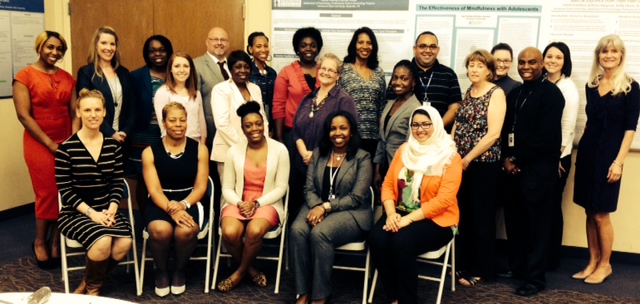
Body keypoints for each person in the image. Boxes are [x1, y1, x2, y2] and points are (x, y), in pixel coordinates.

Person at [369, 105, 462, 304]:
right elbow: (387, 185)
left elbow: (444, 201)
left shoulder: (450, 157)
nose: (420, 129)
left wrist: (407, 220)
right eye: (415, 125)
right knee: (377, 239)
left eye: (426, 124)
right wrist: (392, 213)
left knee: (401, 243)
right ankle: (393, 296)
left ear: (436, 124)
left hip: (437, 220)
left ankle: (407, 300)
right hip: (400, 212)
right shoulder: (404, 150)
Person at [572, 34, 640, 284]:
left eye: (613, 51)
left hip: (611, 156)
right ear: (598, 56)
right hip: (589, 152)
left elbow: (630, 129)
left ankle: (605, 264)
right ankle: (592, 261)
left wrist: (618, 162)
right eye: (604, 52)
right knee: (589, 210)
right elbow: (592, 122)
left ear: (621, 55)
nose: (608, 55)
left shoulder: (631, 86)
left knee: (602, 213)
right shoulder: (592, 84)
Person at [55, 89, 133, 295]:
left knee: (125, 242)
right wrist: (93, 215)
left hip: (107, 209)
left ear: (105, 112)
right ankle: (93, 290)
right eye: (87, 110)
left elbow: (117, 182)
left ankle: (86, 282)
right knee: (103, 240)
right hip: (75, 213)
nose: (93, 115)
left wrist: (112, 209)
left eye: (98, 109)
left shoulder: (113, 146)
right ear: (78, 112)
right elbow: (66, 191)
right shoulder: (66, 149)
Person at [290, 111, 373, 304]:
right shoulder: (319, 153)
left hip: (352, 212)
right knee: (297, 230)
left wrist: (325, 208)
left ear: (351, 131)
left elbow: (356, 197)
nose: (338, 133)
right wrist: (318, 206)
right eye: (333, 128)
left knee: (320, 233)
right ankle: (304, 291)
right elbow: (308, 188)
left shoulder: (362, 158)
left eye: (343, 128)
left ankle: (321, 295)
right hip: (316, 203)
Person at [501, 47, 564, 297]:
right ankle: (518, 269)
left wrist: (516, 157)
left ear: (542, 65)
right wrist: (507, 157)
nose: (526, 66)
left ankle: (535, 279)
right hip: (514, 169)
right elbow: (507, 129)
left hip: (538, 171)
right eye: (522, 62)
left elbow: (546, 138)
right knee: (515, 222)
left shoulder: (552, 94)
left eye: (532, 62)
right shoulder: (516, 92)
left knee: (537, 227)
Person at [13, 31, 77, 269]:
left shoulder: (67, 78)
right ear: (39, 47)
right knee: (48, 193)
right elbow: (24, 116)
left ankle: (56, 242)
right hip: (39, 143)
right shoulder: (25, 76)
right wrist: (51, 144)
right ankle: (40, 241)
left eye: (59, 49)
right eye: (50, 47)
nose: (54, 52)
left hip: (65, 141)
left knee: (64, 192)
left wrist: (72, 141)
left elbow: (74, 112)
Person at [217, 102, 289, 292]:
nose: (254, 128)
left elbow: (281, 187)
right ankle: (250, 270)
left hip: (268, 202)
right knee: (230, 233)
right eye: (248, 125)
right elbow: (227, 187)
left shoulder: (280, 150)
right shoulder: (234, 151)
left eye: (258, 123)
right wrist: (240, 203)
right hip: (239, 201)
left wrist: (257, 203)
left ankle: (238, 274)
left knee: (254, 230)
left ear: (264, 124)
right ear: (242, 129)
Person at [142, 102, 210, 297]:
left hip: (190, 198)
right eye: (172, 120)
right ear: (163, 123)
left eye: (182, 119)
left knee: (186, 230)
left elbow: (200, 187)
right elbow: (154, 190)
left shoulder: (200, 149)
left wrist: (183, 205)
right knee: (160, 230)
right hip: (160, 199)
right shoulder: (149, 152)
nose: (178, 124)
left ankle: (180, 270)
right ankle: (162, 271)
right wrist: (172, 209)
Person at [452, 50, 506, 286]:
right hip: (462, 164)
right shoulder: (469, 91)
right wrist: (451, 150)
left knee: (481, 217)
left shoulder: (496, 93)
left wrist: (468, 158)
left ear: (489, 71)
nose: (474, 69)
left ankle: (482, 269)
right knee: (465, 217)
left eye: (479, 66)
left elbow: (493, 134)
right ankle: (464, 264)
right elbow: (458, 124)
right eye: (471, 65)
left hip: (483, 165)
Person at [292, 53, 358, 214]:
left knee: (317, 214)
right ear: (318, 70)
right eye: (323, 68)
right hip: (301, 165)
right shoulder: (308, 98)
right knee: (297, 213)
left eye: (331, 70)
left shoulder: (344, 100)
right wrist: (304, 153)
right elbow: (296, 130)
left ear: (338, 75)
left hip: (326, 168)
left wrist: (314, 155)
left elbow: (346, 135)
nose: (326, 73)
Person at [542, 41, 579, 271]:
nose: (552, 61)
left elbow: (567, 127)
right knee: (539, 208)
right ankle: (538, 256)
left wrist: (556, 159)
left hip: (558, 159)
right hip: (541, 156)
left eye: (558, 57)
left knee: (552, 207)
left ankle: (551, 259)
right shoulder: (541, 83)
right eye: (549, 56)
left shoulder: (568, 88)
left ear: (565, 62)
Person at [129, 35, 174, 211]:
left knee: (166, 176)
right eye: (152, 50)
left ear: (168, 51)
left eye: (162, 50)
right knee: (143, 178)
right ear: (146, 54)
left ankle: (164, 214)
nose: (157, 54)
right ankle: (144, 218)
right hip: (143, 135)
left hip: (169, 135)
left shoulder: (175, 72)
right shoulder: (137, 76)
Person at [210, 50, 270, 180]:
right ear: (230, 69)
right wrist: (245, 147)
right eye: (238, 67)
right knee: (230, 193)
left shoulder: (255, 88)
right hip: (228, 149)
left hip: (256, 151)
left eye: (246, 67)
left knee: (251, 190)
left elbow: (262, 118)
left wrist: (263, 145)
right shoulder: (221, 89)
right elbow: (222, 124)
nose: (243, 70)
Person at [386, 31, 461, 131]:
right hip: (405, 137)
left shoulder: (449, 74)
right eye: (423, 46)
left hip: (439, 137)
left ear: (438, 50)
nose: (428, 50)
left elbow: (454, 107)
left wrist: (435, 130)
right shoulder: (403, 73)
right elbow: (390, 104)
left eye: (432, 47)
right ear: (415, 49)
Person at [76, 26, 134, 143]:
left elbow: (132, 108)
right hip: (97, 137)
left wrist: (125, 132)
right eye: (104, 43)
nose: (109, 48)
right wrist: (111, 133)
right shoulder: (86, 73)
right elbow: (87, 108)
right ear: (96, 45)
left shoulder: (124, 72)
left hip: (123, 139)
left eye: (112, 44)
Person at [339, 27, 386, 159]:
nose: (365, 46)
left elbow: (381, 107)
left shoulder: (379, 72)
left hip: (373, 138)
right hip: (349, 136)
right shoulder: (343, 70)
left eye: (369, 43)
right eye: (360, 42)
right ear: (354, 44)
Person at [373, 60, 421, 190]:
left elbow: (411, 147)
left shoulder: (415, 109)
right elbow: (381, 139)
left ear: (413, 82)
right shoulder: (390, 104)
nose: (398, 82)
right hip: (384, 167)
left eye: (404, 79)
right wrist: (377, 171)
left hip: (401, 170)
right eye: (395, 78)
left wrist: (402, 174)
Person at [272, 27, 323, 144]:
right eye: (303, 45)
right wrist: (279, 138)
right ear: (297, 49)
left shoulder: (325, 71)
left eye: (313, 45)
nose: (308, 49)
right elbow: (278, 106)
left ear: (318, 49)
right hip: (291, 133)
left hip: (319, 133)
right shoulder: (286, 72)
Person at [154, 52, 207, 142]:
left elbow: (202, 123)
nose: (182, 70)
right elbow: (163, 127)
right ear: (170, 69)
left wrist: (202, 145)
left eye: (186, 66)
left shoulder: (196, 93)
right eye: (177, 66)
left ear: (191, 69)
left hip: (196, 142)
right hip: (174, 143)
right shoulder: (162, 92)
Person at [194, 26, 231, 152]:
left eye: (223, 40)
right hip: (210, 134)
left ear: (228, 43)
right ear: (207, 41)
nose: (219, 43)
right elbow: (194, 103)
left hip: (234, 132)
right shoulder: (196, 65)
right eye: (215, 39)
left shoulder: (234, 65)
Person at [247, 32, 277, 131]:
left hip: (270, 119)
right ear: (250, 49)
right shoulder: (247, 72)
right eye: (258, 46)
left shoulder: (272, 73)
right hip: (252, 120)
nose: (263, 50)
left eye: (266, 46)